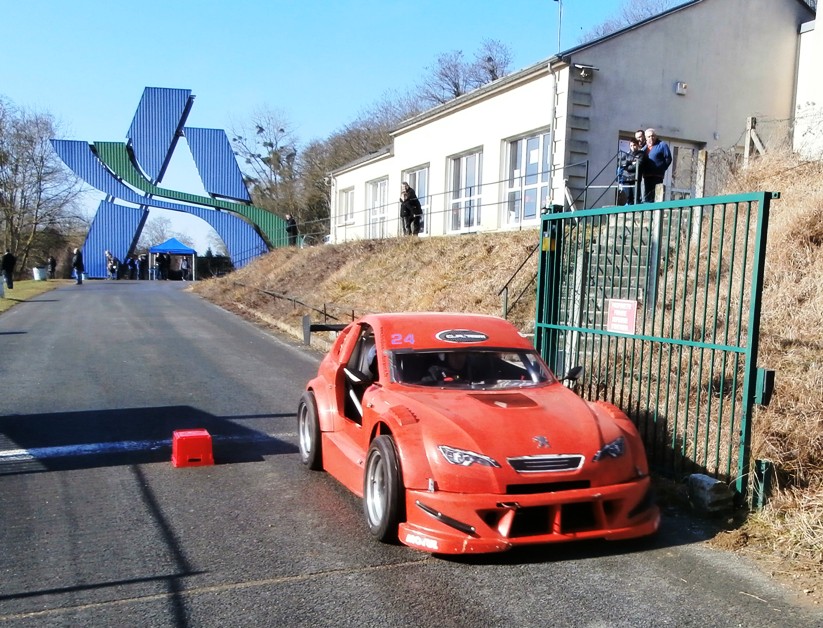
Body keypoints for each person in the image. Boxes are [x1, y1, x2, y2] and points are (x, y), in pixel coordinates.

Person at [642, 128, 672, 203]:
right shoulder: (645, 147)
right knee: (648, 194)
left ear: (655, 136)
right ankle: (647, 210)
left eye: (652, 136)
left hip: (657, 175)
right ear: (646, 138)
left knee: (656, 194)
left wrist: (662, 168)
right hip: (647, 175)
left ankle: (655, 211)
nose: (651, 138)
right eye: (648, 136)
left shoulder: (662, 145)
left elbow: (668, 158)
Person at [617, 138, 645, 205]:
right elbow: (619, 163)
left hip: (635, 178)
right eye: (631, 145)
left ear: (638, 145)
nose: (633, 147)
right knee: (628, 198)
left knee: (636, 198)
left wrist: (626, 167)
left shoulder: (641, 154)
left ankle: (637, 212)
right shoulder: (627, 154)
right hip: (626, 178)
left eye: (634, 145)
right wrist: (629, 162)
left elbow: (638, 166)